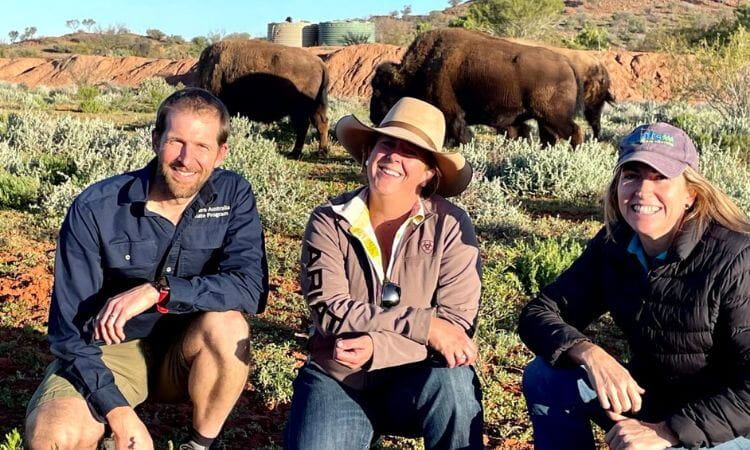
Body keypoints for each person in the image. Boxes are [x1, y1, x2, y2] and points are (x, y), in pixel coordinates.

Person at [24, 88, 269, 450]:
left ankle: (200, 445)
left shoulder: (232, 195)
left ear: (221, 154)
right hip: (113, 348)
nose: (187, 159)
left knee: (228, 325)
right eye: (176, 142)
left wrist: (161, 290)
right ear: (156, 141)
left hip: (190, 345)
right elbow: (69, 333)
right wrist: (118, 412)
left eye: (202, 146)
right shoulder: (98, 208)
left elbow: (250, 288)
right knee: (56, 438)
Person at [518, 122, 750, 450]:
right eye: (632, 175)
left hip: (728, 424)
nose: (642, 190)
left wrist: (666, 432)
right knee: (547, 376)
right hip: (653, 396)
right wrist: (588, 352)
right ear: (617, 186)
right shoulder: (615, 244)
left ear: (690, 194)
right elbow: (539, 311)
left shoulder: (737, 257)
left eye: (661, 177)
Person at [284, 97, 484, 449]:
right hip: (340, 376)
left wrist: (378, 346)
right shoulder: (329, 219)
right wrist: (425, 326)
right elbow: (330, 310)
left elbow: (454, 330)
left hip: (420, 375)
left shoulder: (452, 225)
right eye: (386, 144)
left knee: (454, 385)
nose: (393, 156)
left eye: (411, 152)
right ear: (368, 153)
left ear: (429, 173)